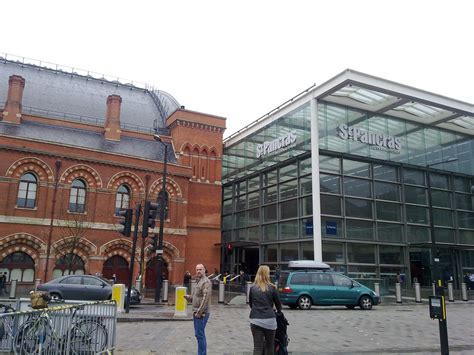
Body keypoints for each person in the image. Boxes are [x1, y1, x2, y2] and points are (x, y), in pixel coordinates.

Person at [249, 265, 282, 355]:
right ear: (267, 274)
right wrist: (277, 311)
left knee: (257, 347)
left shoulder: (252, 288)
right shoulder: (272, 288)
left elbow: (251, 305)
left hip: (255, 319)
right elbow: (279, 305)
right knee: (270, 346)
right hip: (269, 320)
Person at [184, 264, 212, 355]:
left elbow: (205, 298)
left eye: (200, 269)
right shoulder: (198, 281)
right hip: (196, 311)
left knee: (200, 335)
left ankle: (202, 353)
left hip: (202, 313)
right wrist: (189, 297)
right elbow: (196, 296)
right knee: (199, 334)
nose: (198, 271)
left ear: (204, 270)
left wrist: (199, 312)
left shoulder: (206, 282)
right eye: (197, 270)